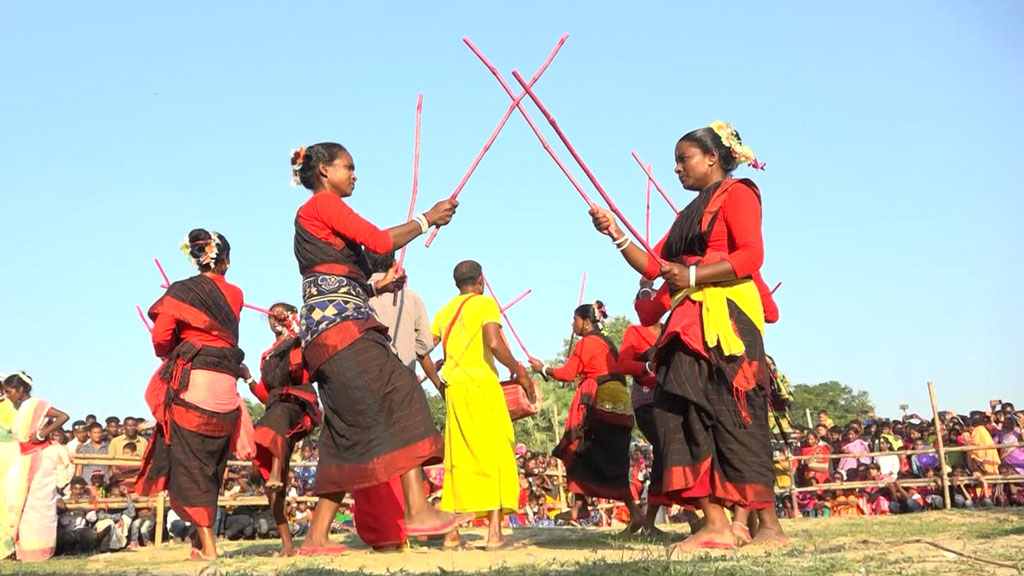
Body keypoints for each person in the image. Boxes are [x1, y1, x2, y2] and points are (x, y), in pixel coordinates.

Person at [589, 122, 786, 551]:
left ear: (713, 158)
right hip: (687, 323)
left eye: (684, 159)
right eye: (676, 162)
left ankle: (768, 526)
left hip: (729, 320)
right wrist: (614, 233)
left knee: (737, 413)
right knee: (678, 411)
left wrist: (694, 273)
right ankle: (714, 521)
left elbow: (751, 256)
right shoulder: (686, 216)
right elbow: (654, 265)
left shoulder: (739, 194)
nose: (676, 169)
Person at [288, 142, 467, 554]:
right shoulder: (322, 206)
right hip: (342, 328)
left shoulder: (316, 219)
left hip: (327, 331)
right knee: (400, 392)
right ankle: (419, 510)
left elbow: (358, 263)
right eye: (347, 167)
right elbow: (377, 239)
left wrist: (377, 283)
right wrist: (426, 218)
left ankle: (315, 538)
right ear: (324, 171)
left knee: (346, 430)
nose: (354, 175)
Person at [134, 229, 256, 561]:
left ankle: (211, 549)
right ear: (226, 261)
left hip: (194, 387)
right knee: (213, 464)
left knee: (191, 466)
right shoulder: (237, 294)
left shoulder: (181, 292)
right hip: (227, 390)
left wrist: (173, 350)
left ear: (196, 258)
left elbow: (161, 338)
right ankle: (197, 544)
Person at [429, 260, 535, 550]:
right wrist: (519, 371)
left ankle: (451, 534)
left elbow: (421, 347)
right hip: (481, 385)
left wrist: (437, 381)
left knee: (458, 457)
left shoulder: (444, 311)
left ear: (456, 284)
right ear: (480, 282)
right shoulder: (485, 303)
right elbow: (494, 342)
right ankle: (494, 534)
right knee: (495, 453)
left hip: (454, 388)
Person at [529, 302, 642, 532]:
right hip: (621, 405)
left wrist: (543, 369)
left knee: (579, 449)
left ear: (586, 322)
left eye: (575, 320)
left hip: (600, 404)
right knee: (609, 458)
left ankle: (623, 511)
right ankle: (582, 507)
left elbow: (567, 374)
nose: (573, 325)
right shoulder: (607, 344)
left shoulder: (586, 343)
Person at [246, 302, 321, 557]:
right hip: (276, 408)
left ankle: (276, 471)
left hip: (298, 405)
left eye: (279, 313)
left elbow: (301, 367)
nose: (273, 318)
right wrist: (248, 380)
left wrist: (293, 326)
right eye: (271, 314)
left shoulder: (301, 341)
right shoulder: (266, 355)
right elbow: (268, 396)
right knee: (270, 490)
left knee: (274, 421)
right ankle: (288, 545)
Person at [615, 281, 669, 538]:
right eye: (643, 299)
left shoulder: (670, 328)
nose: (648, 302)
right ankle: (682, 517)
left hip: (673, 398)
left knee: (670, 454)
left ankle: (650, 521)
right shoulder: (634, 332)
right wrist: (647, 368)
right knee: (665, 452)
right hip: (648, 400)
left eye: (652, 298)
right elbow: (622, 364)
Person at [0, 372, 71, 562]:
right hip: (25, 458)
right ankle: (24, 549)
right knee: (24, 505)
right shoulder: (21, 407)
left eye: (9, 391)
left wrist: (43, 433)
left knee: (40, 505)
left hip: (40, 459)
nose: (7, 396)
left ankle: (41, 550)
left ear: (20, 389)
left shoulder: (36, 404)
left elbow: (63, 416)